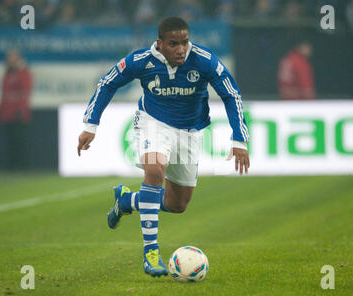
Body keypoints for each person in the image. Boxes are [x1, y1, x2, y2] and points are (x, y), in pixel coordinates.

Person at [77, 17, 250, 277]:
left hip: (190, 131)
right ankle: (151, 253)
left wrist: (239, 139)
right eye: (173, 44)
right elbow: (107, 83)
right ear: (160, 43)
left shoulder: (204, 60)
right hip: (153, 122)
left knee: (177, 204)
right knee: (155, 170)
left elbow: (231, 94)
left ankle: (127, 201)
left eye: (184, 42)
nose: (181, 49)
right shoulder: (141, 60)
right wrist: (90, 125)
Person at [0, 49, 33, 170]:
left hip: (18, 113)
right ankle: (12, 166)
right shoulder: (8, 73)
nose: (10, 60)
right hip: (8, 113)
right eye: (9, 58)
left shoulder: (23, 72)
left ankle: (22, 166)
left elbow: (25, 92)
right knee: (10, 141)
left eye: (12, 57)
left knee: (20, 141)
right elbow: (4, 93)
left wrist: (21, 110)